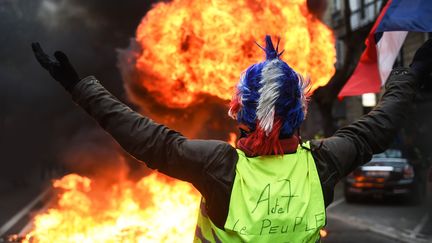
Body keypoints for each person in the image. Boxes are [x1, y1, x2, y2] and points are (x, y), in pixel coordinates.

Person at [32, 36, 432, 242]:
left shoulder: (220, 167)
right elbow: (380, 124)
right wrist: (411, 75)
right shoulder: (323, 163)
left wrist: (79, 86)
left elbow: (144, 138)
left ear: (240, 112)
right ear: (299, 114)